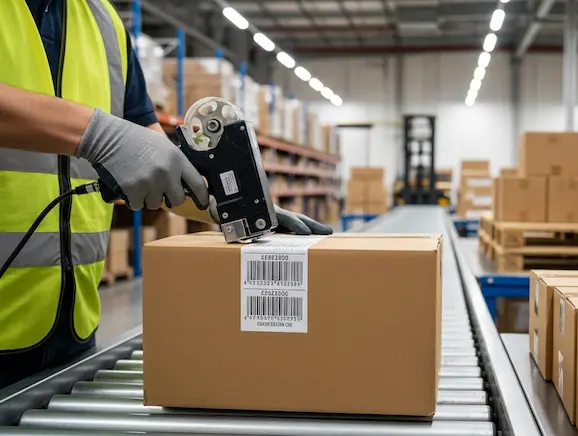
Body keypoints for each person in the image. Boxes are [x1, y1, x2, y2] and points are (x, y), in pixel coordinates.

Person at [0, 0, 331, 389]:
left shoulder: (102, 21)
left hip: (71, 334)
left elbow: (156, 156)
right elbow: (113, 139)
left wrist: (231, 205)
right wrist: (96, 134)